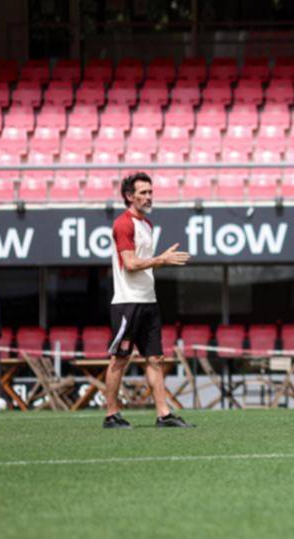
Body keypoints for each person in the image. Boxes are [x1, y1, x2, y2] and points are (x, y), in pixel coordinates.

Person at [104, 172, 193, 429]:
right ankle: (111, 415)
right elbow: (131, 264)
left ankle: (164, 415)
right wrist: (161, 259)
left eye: (150, 192)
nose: (148, 197)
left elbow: (144, 264)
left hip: (148, 300)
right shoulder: (123, 224)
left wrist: (161, 261)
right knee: (120, 359)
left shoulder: (147, 224)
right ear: (129, 196)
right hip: (127, 302)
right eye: (142, 193)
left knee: (155, 359)